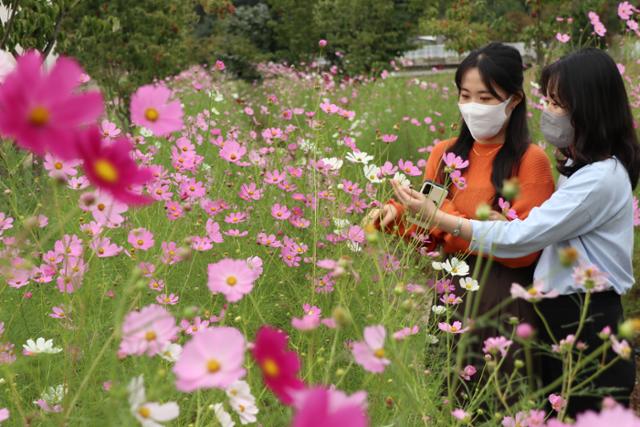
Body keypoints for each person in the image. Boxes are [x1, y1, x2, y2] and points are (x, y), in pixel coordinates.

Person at [390, 47, 640, 416]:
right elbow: (526, 230)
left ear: (588, 108)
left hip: (586, 318)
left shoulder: (596, 178)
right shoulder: (583, 169)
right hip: (552, 311)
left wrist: (441, 218)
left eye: (558, 102)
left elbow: (523, 239)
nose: (550, 112)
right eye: (550, 100)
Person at [367, 42, 555, 374]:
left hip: (506, 295)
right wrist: (396, 219)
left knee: (502, 398)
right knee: (447, 396)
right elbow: (428, 241)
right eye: (465, 95)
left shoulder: (531, 160)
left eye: (485, 98)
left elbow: (524, 250)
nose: (472, 107)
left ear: (514, 101)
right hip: (452, 292)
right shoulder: (445, 153)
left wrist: (443, 216)